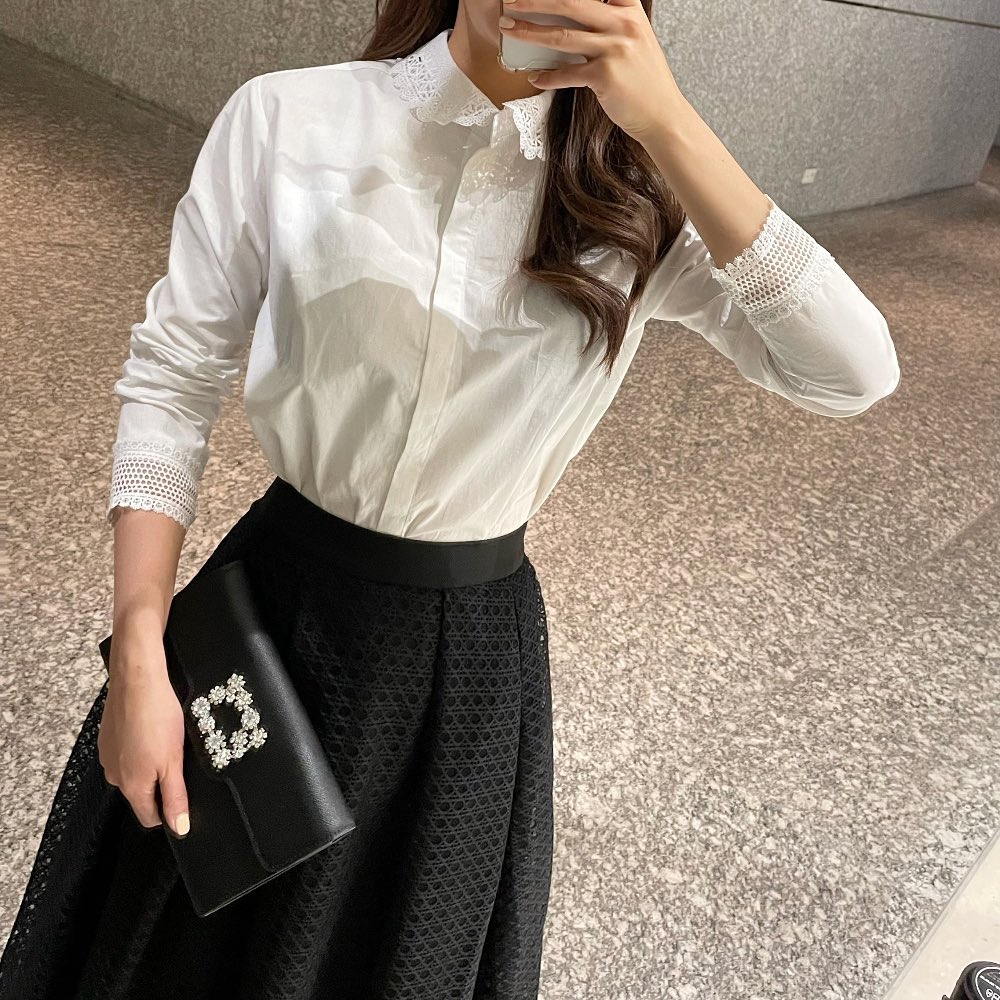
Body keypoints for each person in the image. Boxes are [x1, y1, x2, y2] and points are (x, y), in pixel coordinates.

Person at [0, 0, 900, 997]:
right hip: (275, 619)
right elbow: (173, 381)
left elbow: (852, 372)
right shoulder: (292, 118)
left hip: (465, 675)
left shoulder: (639, 196)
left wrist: (669, 123)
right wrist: (138, 652)